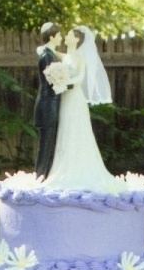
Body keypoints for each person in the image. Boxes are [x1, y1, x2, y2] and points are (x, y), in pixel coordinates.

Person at [43, 26, 119, 193]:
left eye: (69, 35)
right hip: (65, 99)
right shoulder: (64, 56)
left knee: (76, 130)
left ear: (77, 40)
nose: (66, 37)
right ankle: (63, 168)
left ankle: (79, 170)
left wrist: (64, 83)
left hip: (75, 98)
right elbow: (47, 51)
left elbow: (79, 78)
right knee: (65, 130)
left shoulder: (79, 57)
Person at [34, 22, 63, 178]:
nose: (61, 38)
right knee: (45, 145)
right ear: (52, 36)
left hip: (51, 103)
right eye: (58, 35)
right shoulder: (47, 56)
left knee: (49, 144)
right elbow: (53, 82)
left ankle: (44, 176)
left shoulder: (50, 54)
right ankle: (40, 176)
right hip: (47, 104)